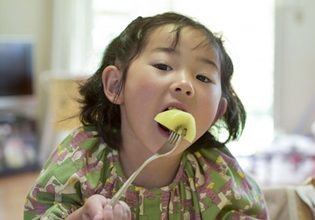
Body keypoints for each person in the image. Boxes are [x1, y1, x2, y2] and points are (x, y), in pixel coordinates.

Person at [24, 12, 269, 220]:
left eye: (203, 77)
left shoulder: (219, 174)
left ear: (216, 113)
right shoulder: (81, 158)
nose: (185, 84)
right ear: (116, 85)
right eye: (163, 66)